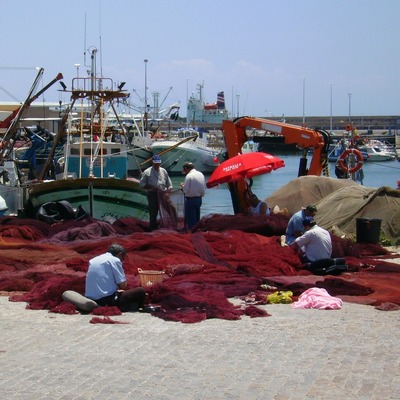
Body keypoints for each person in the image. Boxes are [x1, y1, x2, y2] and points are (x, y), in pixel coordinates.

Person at [85, 243, 146, 312]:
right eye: (123, 258)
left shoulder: (93, 260)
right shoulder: (115, 260)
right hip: (106, 300)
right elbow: (123, 286)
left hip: (91, 298)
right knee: (141, 291)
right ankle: (135, 306)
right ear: (120, 254)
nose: (122, 261)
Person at [140, 155, 173, 230]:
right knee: (153, 212)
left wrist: (168, 192)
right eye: (156, 164)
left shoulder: (164, 171)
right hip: (153, 194)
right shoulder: (147, 172)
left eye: (158, 163)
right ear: (152, 162)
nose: (157, 165)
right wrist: (150, 187)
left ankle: (173, 224)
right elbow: (141, 184)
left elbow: (170, 185)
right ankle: (152, 227)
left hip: (163, 194)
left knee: (171, 209)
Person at [180, 161, 205, 230]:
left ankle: (191, 233)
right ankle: (196, 231)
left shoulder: (189, 176)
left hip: (191, 200)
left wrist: (182, 186)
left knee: (191, 220)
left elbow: (186, 190)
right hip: (199, 199)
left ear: (186, 168)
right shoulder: (200, 174)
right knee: (197, 219)